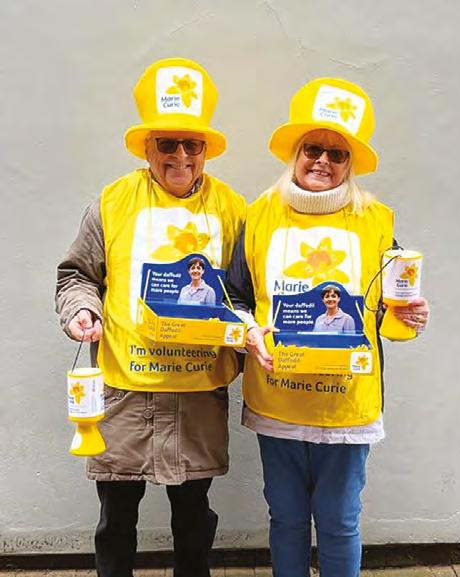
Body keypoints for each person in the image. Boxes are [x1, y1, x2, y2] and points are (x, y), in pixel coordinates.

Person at [226, 78, 429, 577]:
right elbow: (236, 296)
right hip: (277, 397)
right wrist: (247, 330)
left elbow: (389, 307)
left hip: (345, 404)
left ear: (349, 163)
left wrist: (409, 316)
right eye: (312, 149)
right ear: (295, 153)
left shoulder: (375, 221)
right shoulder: (259, 215)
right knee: (287, 518)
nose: (322, 161)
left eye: (336, 154)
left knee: (339, 522)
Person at [56, 58, 246, 577]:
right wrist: (81, 311)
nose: (181, 156)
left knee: (194, 516)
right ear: (147, 148)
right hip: (125, 389)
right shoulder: (113, 202)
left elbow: (247, 291)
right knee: (116, 517)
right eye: (168, 143)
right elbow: (77, 276)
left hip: (196, 391)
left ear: (205, 149)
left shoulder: (232, 209)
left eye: (192, 144)